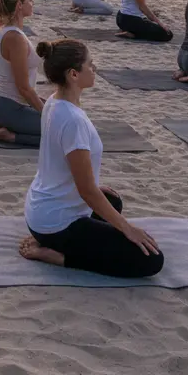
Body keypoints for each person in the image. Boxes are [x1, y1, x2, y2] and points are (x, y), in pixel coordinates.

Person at [20, 39, 163, 277]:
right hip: (57, 223)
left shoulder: (54, 102)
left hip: (41, 211)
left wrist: (95, 189)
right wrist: (128, 229)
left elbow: (66, 168)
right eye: (90, 65)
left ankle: (49, 238)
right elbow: (86, 191)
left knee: (112, 201)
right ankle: (57, 256)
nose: (94, 69)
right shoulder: (72, 120)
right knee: (151, 261)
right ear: (74, 74)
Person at [0, 0, 43, 146]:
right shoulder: (16, 38)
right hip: (9, 107)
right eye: (30, 0)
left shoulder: (8, 30)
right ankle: (9, 135)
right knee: (64, 131)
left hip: (3, 103)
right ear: (19, 5)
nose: (32, 3)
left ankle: (6, 124)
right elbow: (24, 88)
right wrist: (46, 113)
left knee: (64, 116)